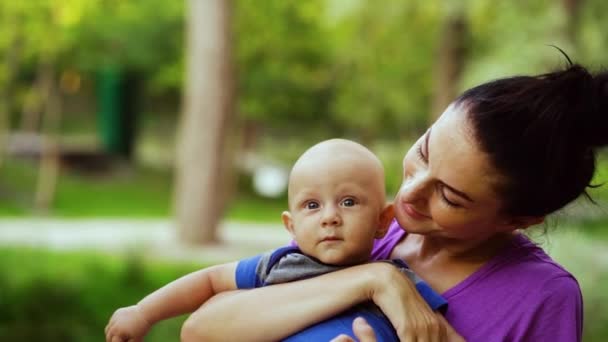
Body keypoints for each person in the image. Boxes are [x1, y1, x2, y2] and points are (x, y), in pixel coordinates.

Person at [180, 60, 606, 341]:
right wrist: (376, 281)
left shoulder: (543, 299)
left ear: (519, 219)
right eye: (422, 153)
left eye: (450, 197)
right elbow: (199, 330)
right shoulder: (370, 228)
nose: (409, 194)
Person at [105, 139, 449, 342]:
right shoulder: (281, 265)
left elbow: (441, 334)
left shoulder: (402, 283)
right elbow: (210, 280)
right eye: (311, 205)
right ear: (292, 225)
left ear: (382, 221)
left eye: (348, 202)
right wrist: (144, 312)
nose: (330, 216)